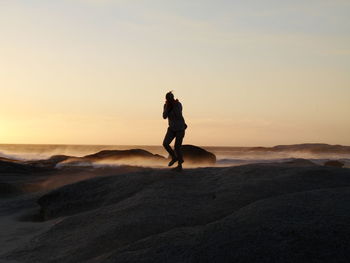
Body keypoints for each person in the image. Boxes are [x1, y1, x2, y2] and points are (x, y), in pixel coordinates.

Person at [162, 91, 187, 171]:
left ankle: (180, 166)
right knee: (165, 143)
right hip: (171, 128)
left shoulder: (178, 104)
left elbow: (178, 114)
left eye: (171, 98)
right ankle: (174, 157)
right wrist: (167, 108)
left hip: (180, 128)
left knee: (177, 147)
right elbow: (164, 116)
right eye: (169, 98)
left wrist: (173, 106)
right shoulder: (166, 105)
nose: (170, 100)